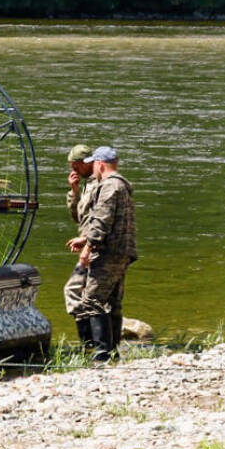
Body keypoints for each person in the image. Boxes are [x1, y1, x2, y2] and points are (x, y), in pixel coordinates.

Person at [64, 146, 137, 361]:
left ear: (100, 164)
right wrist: (74, 191)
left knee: (92, 299)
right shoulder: (119, 185)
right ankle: (112, 352)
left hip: (108, 250)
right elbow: (88, 218)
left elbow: (102, 220)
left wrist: (87, 245)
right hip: (120, 250)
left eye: (93, 163)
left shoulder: (109, 187)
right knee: (112, 301)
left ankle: (100, 353)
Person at [64, 143, 95, 223]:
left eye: (76, 167)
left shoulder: (99, 183)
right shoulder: (89, 182)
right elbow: (78, 218)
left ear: (87, 163)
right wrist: (75, 191)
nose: (74, 171)